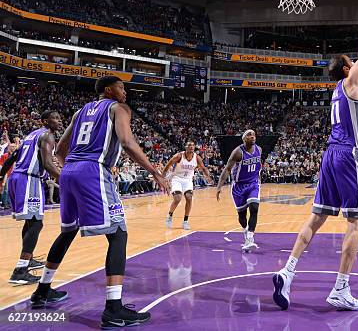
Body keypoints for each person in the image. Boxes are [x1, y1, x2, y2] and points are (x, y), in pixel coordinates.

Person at [272, 0, 358, 311]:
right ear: (348, 67)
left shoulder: (344, 88)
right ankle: (340, 288)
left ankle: (287, 271)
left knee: (317, 217)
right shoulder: (351, 81)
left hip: (331, 155)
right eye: (354, 61)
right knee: (357, 223)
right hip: (350, 156)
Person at [29, 76, 169, 329]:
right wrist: (154, 171)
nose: (125, 92)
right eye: (121, 87)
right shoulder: (119, 108)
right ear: (108, 90)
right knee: (118, 234)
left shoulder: (81, 111)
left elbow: (60, 150)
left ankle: (42, 291)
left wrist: (70, 173)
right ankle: (114, 309)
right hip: (92, 170)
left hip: (70, 170)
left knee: (68, 231)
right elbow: (126, 142)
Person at [0, 111, 62, 284]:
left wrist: (1, 175)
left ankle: (28, 259)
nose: (59, 121)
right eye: (55, 118)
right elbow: (48, 164)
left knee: (30, 222)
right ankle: (20, 270)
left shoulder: (31, 135)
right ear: (44, 121)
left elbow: (13, 157)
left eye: (59, 118)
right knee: (36, 223)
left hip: (18, 178)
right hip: (29, 179)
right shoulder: (47, 135)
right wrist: (65, 181)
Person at [216, 130, 262, 252]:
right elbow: (227, 169)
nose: (252, 136)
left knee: (254, 207)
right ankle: (246, 230)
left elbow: (258, 166)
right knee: (242, 215)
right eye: (249, 135)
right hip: (239, 187)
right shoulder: (238, 152)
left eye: (253, 134)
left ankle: (250, 237)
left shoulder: (259, 150)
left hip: (253, 184)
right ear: (244, 139)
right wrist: (219, 186)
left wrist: (258, 179)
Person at [163, 141, 213, 230]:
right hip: (177, 178)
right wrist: (162, 178)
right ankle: (170, 215)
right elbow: (168, 165)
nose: (191, 147)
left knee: (189, 198)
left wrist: (208, 177)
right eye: (189, 145)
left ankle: (185, 221)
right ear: (186, 147)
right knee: (177, 198)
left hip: (188, 180)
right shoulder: (178, 156)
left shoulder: (197, 158)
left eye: (193, 145)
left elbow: (203, 168)